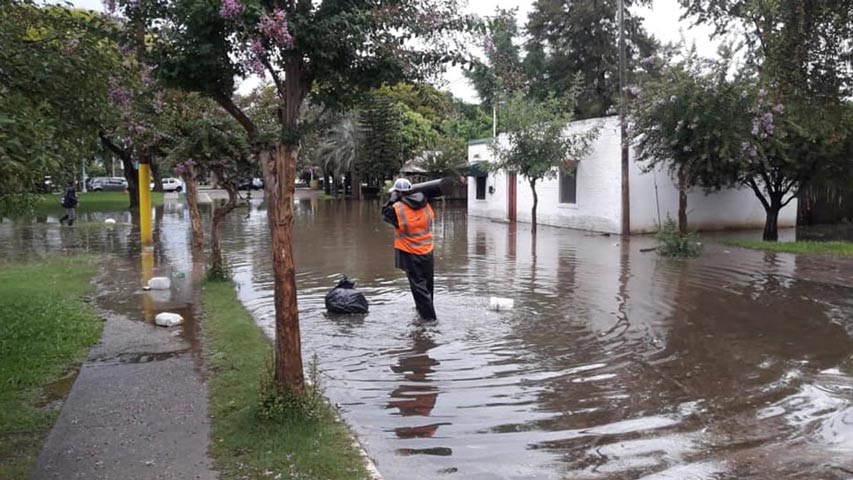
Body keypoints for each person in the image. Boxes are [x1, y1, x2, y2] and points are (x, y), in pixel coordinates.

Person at [382, 178, 437, 321]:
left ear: (398, 193)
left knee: (418, 287)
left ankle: (429, 320)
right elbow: (430, 219)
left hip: (410, 253)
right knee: (427, 285)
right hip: (427, 250)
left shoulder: (398, 209)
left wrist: (392, 199)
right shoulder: (425, 204)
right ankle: (423, 310)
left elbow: (385, 214)